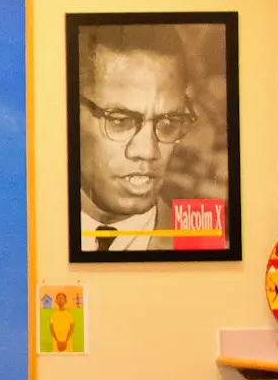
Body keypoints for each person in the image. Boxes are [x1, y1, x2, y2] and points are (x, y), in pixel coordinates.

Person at [76, 26, 198, 252]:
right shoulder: (19, 240)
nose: (148, 151)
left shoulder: (200, 248)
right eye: (120, 121)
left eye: (168, 122)